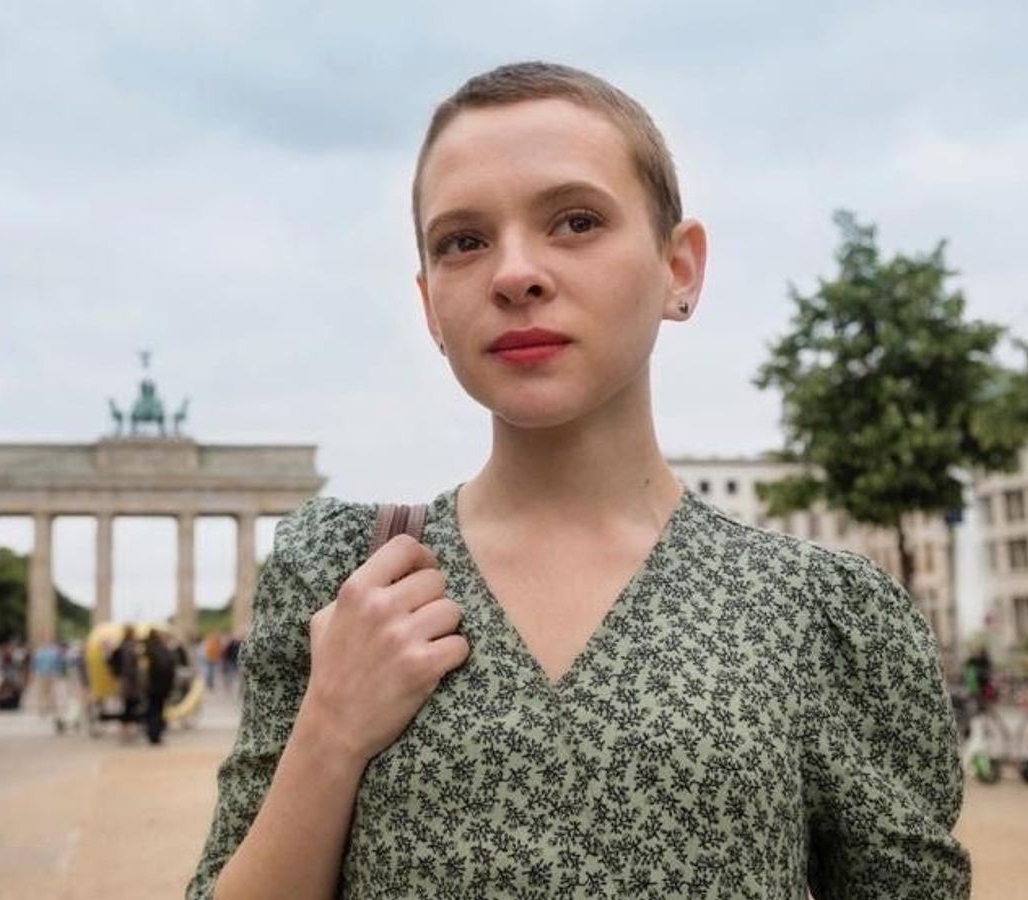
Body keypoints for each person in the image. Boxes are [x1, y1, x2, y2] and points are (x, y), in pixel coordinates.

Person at [187, 62, 970, 899]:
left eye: (576, 221)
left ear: (679, 268)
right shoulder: (344, 575)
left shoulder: (824, 614)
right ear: (430, 306)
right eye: (463, 241)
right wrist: (331, 731)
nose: (514, 273)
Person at [109, 626, 143, 740]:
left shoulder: (122, 646)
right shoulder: (130, 647)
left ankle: (125, 729)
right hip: (130, 682)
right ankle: (126, 730)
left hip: (124, 680)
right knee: (130, 705)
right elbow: (130, 667)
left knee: (127, 705)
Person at [143, 629, 177, 745]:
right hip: (163, 686)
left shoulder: (148, 651)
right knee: (158, 710)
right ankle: (156, 733)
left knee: (152, 710)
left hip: (152, 686)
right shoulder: (164, 650)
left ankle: (153, 734)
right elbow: (171, 668)